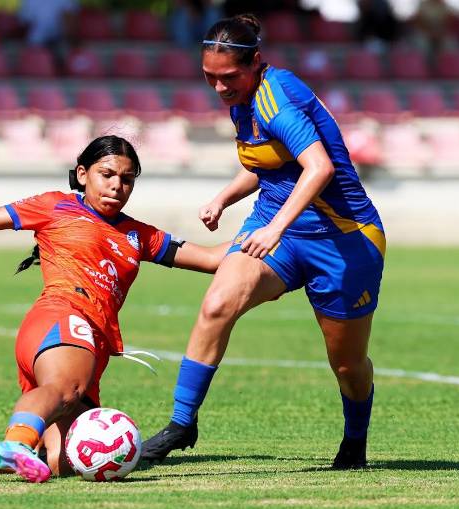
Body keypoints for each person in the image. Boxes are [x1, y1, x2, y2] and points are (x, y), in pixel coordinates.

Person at [0, 135, 227, 482]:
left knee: (65, 462)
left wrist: (274, 228)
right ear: (81, 174)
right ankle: (15, 443)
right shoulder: (55, 206)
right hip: (62, 318)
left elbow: (213, 258)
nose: (117, 185)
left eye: (127, 179)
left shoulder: (139, 235)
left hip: (93, 343)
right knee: (64, 390)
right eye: (107, 174)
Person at [140, 14, 386, 470]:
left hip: (345, 240)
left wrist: (273, 230)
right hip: (279, 225)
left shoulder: (276, 101)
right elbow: (266, 162)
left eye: (228, 77)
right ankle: (180, 423)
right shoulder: (243, 99)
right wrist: (224, 197)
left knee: (348, 366)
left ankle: (355, 440)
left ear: (256, 62)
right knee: (217, 305)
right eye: (209, 77)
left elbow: (319, 168)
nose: (219, 87)